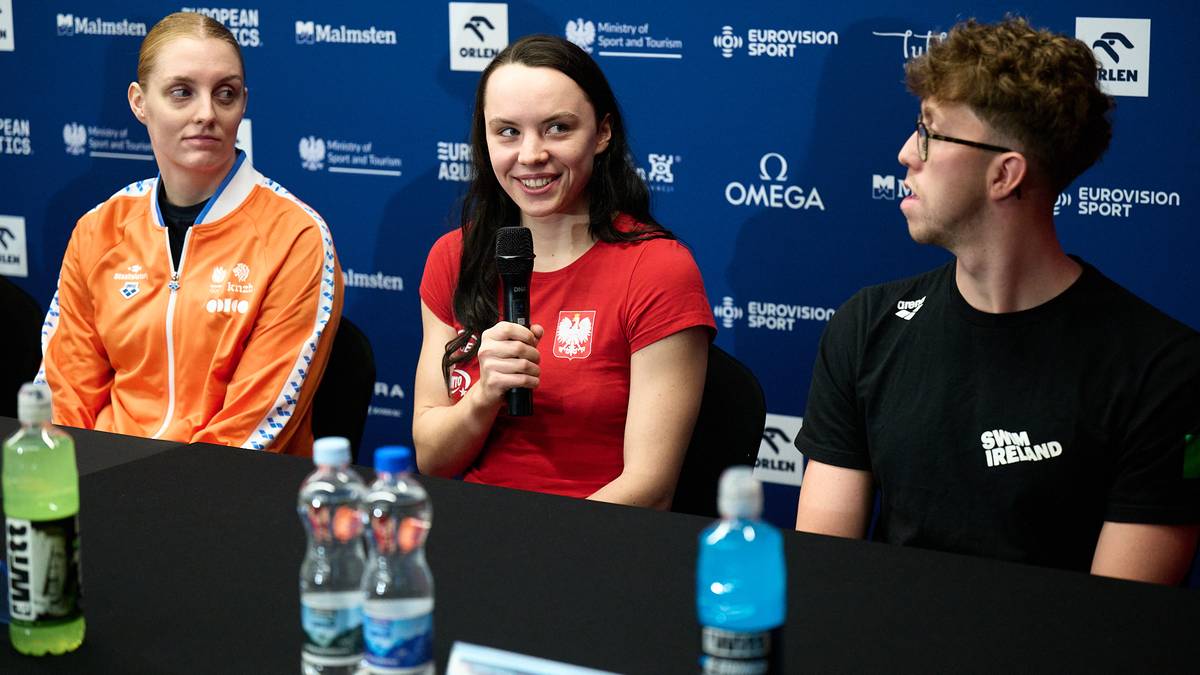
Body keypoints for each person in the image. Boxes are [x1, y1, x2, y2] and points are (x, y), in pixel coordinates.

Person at [793, 17, 1200, 584]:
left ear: (1005, 175)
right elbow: (822, 574)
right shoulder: (866, 326)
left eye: (931, 132)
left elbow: (1118, 627)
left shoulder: (1164, 371)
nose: (907, 152)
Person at [414, 35, 714, 507]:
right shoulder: (454, 256)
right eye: (508, 132)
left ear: (602, 133)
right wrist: (484, 395)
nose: (531, 155)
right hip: (470, 532)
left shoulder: (657, 269)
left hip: (595, 541)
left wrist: (542, 549)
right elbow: (432, 458)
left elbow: (650, 488)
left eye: (557, 128)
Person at [39, 12, 342, 455]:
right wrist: (71, 484)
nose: (206, 113)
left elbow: (255, 426)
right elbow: (64, 398)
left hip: (228, 496)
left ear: (243, 103)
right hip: (103, 484)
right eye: (182, 92)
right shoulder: (98, 229)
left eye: (226, 94)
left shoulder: (296, 237)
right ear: (139, 102)